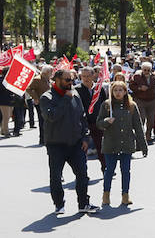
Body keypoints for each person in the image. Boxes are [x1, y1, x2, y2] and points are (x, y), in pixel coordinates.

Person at [39, 69, 99, 214]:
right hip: (56, 144)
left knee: (83, 174)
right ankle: (59, 204)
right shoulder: (46, 97)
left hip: (76, 143)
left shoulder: (75, 94)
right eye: (67, 80)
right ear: (57, 80)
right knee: (56, 176)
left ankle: (83, 204)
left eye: (72, 80)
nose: (70, 83)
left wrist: (85, 137)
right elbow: (51, 116)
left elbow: (82, 117)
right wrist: (66, 99)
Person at [97, 80, 147, 207]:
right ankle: (106, 195)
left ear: (125, 92)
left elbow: (138, 126)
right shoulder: (106, 105)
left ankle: (125, 195)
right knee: (109, 170)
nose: (118, 93)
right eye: (115, 90)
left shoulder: (131, 105)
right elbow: (99, 123)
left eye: (120, 90)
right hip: (111, 143)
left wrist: (143, 145)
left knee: (126, 170)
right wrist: (106, 121)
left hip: (127, 143)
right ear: (111, 92)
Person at [75, 67, 106, 171]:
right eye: (83, 76)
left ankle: (105, 168)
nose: (86, 78)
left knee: (101, 147)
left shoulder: (99, 88)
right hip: (83, 124)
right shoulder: (76, 90)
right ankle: (82, 173)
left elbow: (104, 103)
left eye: (88, 76)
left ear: (93, 76)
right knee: (82, 149)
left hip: (98, 122)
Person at [129, 62, 155, 143]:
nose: (146, 71)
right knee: (141, 118)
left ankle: (148, 135)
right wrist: (139, 88)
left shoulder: (154, 76)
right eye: (145, 70)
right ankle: (140, 136)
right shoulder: (136, 76)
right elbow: (131, 86)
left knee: (151, 120)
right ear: (142, 69)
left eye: (148, 70)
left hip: (152, 100)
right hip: (140, 100)